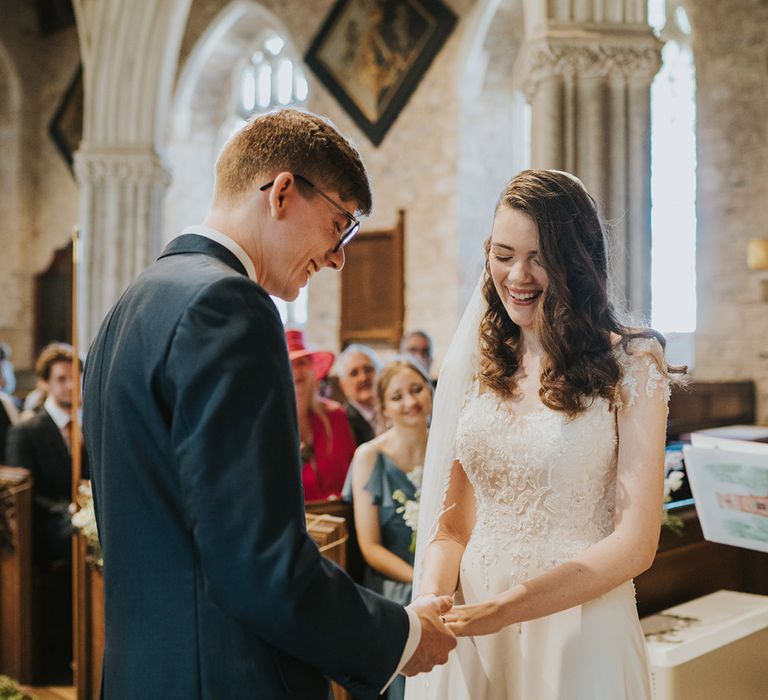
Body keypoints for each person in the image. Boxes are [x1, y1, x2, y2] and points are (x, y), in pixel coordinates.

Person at [82, 108, 455, 700]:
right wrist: (403, 636)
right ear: (283, 192)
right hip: (227, 679)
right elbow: (259, 563)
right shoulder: (229, 304)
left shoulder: (125, 311)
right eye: (340, 225)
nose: (338, 257)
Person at [405, 169, 682, 700]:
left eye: (539, 258)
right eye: (504, 255)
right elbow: (453, 529)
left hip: (578, 627)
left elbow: (635, 543)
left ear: (576, 261)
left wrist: (505, 608)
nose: (519, 276)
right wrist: (431, 602)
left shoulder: (632, 362)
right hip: (474, 626)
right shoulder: (480, 365)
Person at [347, 357, 433, 700]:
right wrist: (421, 581)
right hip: (396, 588)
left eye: (416, 390)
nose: (410, 402)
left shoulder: (451, 445)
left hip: (446, 586)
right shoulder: (368, 457)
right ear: (383, 406)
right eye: (397, 397)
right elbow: (370, 547)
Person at [6, 342, 88, 684]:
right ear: (45, 383)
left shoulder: (89, 426)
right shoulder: (27, 431)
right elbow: (22, 492)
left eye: (76, 379)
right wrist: (69, 510)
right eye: (61, 379)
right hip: (47, 539)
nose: (70, 386)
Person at [287, 328, 356, 501]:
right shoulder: (271, 424)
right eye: (289, 364)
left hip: (340, 513)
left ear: (312, 368)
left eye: (302, 363)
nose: (297, 371)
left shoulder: (336, 415)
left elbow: (354, 472)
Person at [337, 343, 380, 445]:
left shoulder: (393, 411)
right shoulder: (342, 423)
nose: (363, 378)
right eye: (354, 373)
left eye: (368, 370)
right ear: (343, 385)